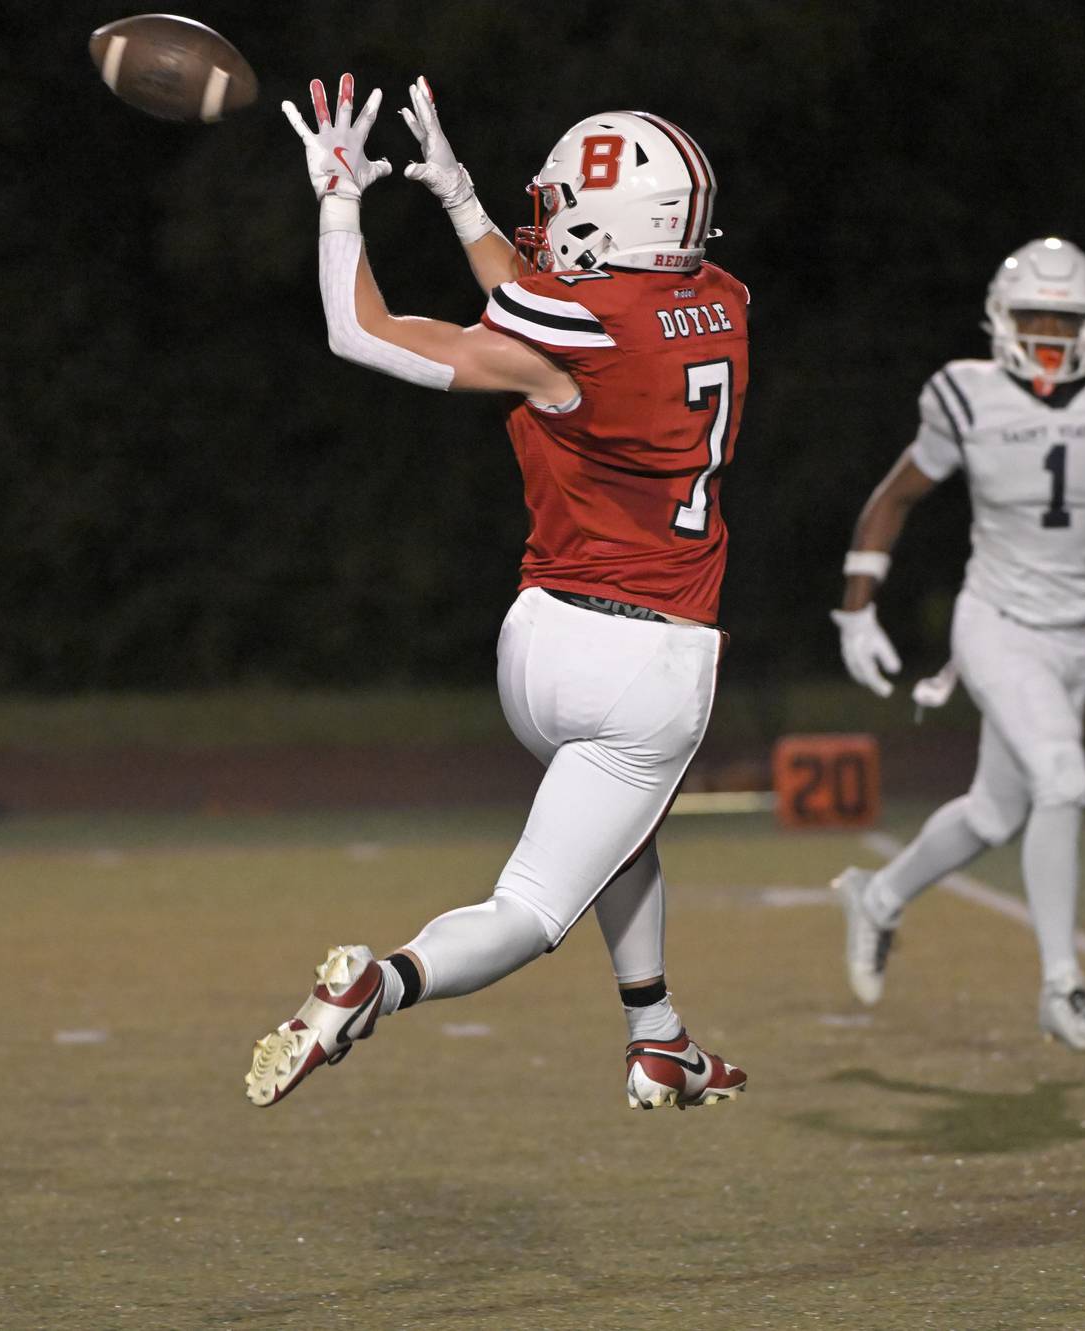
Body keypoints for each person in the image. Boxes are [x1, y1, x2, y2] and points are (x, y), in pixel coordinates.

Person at [245, 75, 750, 1110]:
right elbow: (552, 299)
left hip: (538, 643)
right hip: (650, 659)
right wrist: (460, 198)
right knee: (529, 904)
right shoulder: (723, 301)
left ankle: (659, 1037)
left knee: (617, 825)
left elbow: (364, 328)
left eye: (565, 212)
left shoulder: (579, 327)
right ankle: (381, 983)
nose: (550, 228)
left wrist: (341, 200)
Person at [829, 237, 1085, 1053]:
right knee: (1064, 779)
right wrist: (856, 610)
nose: (1047, 332)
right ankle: (1061, 985)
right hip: (996, 622)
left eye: (1063, 318)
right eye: (1032, 315)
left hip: (1076, 637)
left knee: (995, 811)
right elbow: (893, 497)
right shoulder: (965, 397)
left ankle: (878, 895)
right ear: (999, 321)